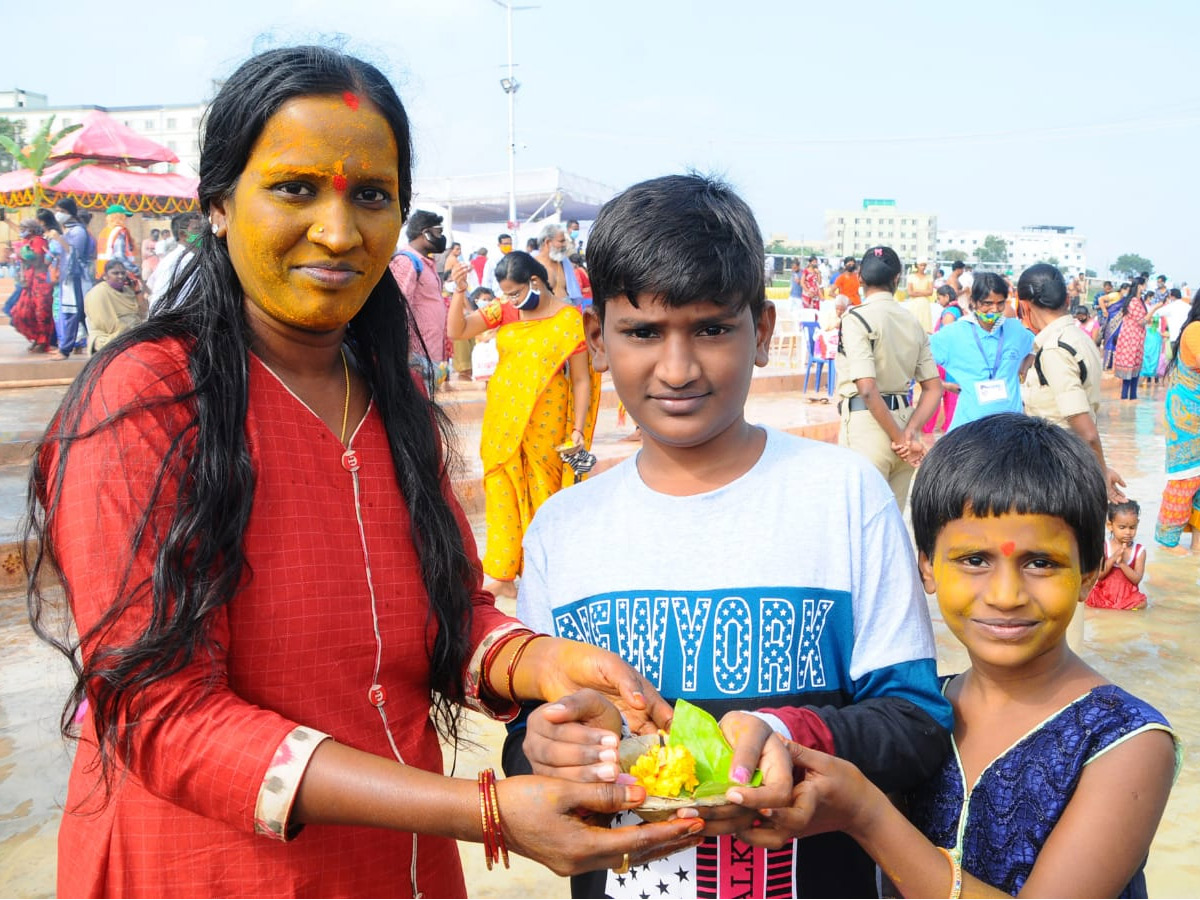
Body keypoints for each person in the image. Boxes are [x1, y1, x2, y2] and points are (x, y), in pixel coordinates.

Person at [24, 46, 706, 899]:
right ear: (219, 206)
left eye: (371, 196)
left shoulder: (393, 403)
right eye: (296, 188)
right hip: (212, 871)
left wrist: (539, 664)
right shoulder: (149, 400)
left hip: (396, 872)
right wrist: (485, 810)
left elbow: (448, 611)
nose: (340, 232)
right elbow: (160, 714)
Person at [507, 174, 952, 899]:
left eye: (711, 328)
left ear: (763, 331)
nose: (677, 368)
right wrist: (546, 748)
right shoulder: (565, 526)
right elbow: (528, 743)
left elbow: (917, 723)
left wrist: (788, 732)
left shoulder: (842, 494)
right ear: (597, 339)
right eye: (644, 332)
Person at [740, 415, 1179, 898]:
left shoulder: (1128, 741)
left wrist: (866, 815)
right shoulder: (915, 716)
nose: (1006, 594)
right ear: (926, 566)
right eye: (974, 560)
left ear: (1091, 572)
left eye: (1041, 562)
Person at [445, 249, 600, 600]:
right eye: (506, 293)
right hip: (503, 417)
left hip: (548, 420)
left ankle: (541, 570)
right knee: (501, 487)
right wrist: (458, 292)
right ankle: (501, 572)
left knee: (544, 491)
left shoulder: (568, 319)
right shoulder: (505, 310)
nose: (510, 299)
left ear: (535, 282)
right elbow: (457, 330)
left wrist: (577, 429)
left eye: (515, 292)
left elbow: (580, 381)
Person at [836, 246, 942, 507]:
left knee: (860, 523)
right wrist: (909, 434)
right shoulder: (911, 321)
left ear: (860, 277)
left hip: (868, 425)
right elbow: (934, 389)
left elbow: (868, 389)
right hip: (905, 423)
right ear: (897, 279)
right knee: (890, 526)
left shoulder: (856, 318)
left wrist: (898, 439)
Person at [1019, 263, 1126, 501]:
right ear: (1066, 300)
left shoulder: (1055, 348)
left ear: (1024, 305)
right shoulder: (1080, 338)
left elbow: (1084, 428)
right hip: (1072, 460)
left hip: (1055, 464)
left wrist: (1102, 473)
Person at [930, 272, 1034, 429]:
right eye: (987, 303)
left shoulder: (1015, 330)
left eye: (1000, 303)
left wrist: (1025, 366)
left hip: (1011, 429)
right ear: (973, 302)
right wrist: (943, 385)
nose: (994, 309)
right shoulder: (954, 333)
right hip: (970, 430)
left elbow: (1038, 346)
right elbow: (918, 361)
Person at [1155, 290, 1200, 551]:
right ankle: (1166, 550)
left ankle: (1195, 552)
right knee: (1185, 480)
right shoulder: (1195, 330)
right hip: (1189, 416)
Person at [388, 209, 451, 387]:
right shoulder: (407, 261)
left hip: (429, 355)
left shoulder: (425, 263)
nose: (441, 237)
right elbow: (398, 307)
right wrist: (406, 350)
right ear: (425, 233)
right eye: (438, 232)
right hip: (414, 356)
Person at [1086, 500, 1148, 610]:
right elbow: (1099, 575)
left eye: (1132, 527)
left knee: (1142, 603)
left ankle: (1121, 609)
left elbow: (1137, 579)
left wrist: (1122, 564)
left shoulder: (1139, 551)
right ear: (1110, 526)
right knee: (1087, 597)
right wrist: (1114, 557)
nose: (1128, 532)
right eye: (1122, 527)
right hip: (1104, 595)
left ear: (1137, 524)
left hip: (1127, 596)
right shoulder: (1104, 546)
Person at [53, 196, 95, 356]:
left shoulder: (78, 231)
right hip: (68, 278)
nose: (58, 214)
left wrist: (59, 238)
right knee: (80, 314)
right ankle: (92, 346)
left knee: (74, 313)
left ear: (70, 212)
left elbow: (74, 253)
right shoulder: (68, 229)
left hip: (77, 278)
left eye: (62, 211)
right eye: (57, 211)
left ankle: (65, 350)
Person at [9, 220, 55, 352]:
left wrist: (22, 253)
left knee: (42, 312)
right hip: (29, 282)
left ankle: (43, 341)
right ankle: (36, 337)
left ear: (32, 229)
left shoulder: (39, 241)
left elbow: (38, 261)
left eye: (24, 228)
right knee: (23, 312)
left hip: (40, 280)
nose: (22, 230)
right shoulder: (26, 241)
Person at [84, 259, 145, 353]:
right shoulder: (98, 293)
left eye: (123, 273)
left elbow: (143, 313)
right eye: (115, 273)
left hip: (132, 333)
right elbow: (106, 324)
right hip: (109, 337)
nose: (120, 276)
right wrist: (130, 331)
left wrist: (137, 291)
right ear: (105, 276)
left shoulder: (129, 291)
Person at [147, 212, 204, 311]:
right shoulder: (178, 262)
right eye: (197, 229)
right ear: (182, 235)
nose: (203, 233)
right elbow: (159, 302)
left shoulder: (194, 258)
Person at [1113, 281, 1148, 397]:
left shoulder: (1140, 301)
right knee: (1129, 368)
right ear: (1139, 286)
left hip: (1137, 337)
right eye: (1145, 284)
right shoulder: (1133, 301)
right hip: (1130, 337)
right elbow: (1142, 321)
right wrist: (1155, 309)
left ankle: (1132, 398)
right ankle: (1125, 397)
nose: (1146, 287)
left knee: (1135, 367)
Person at [94, 203, 137, 279]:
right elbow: (119, 255)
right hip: (117, 275)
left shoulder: (104, 232)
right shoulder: (120, 232)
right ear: (119, 217)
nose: (126, 220)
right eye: (124, 217)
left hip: (103, 274)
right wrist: (134, 270)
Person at [904, 258, 934, 333]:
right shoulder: (911, 276)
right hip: (914, 303)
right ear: (917, 266)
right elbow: (910, 293)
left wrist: (916, 291)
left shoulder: (929, 277)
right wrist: (924, 292)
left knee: (925, 325)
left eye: (924, 265)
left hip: (925, 303)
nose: (923, 267)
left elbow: (930, 292)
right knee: (914, 324)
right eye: (921, 265)